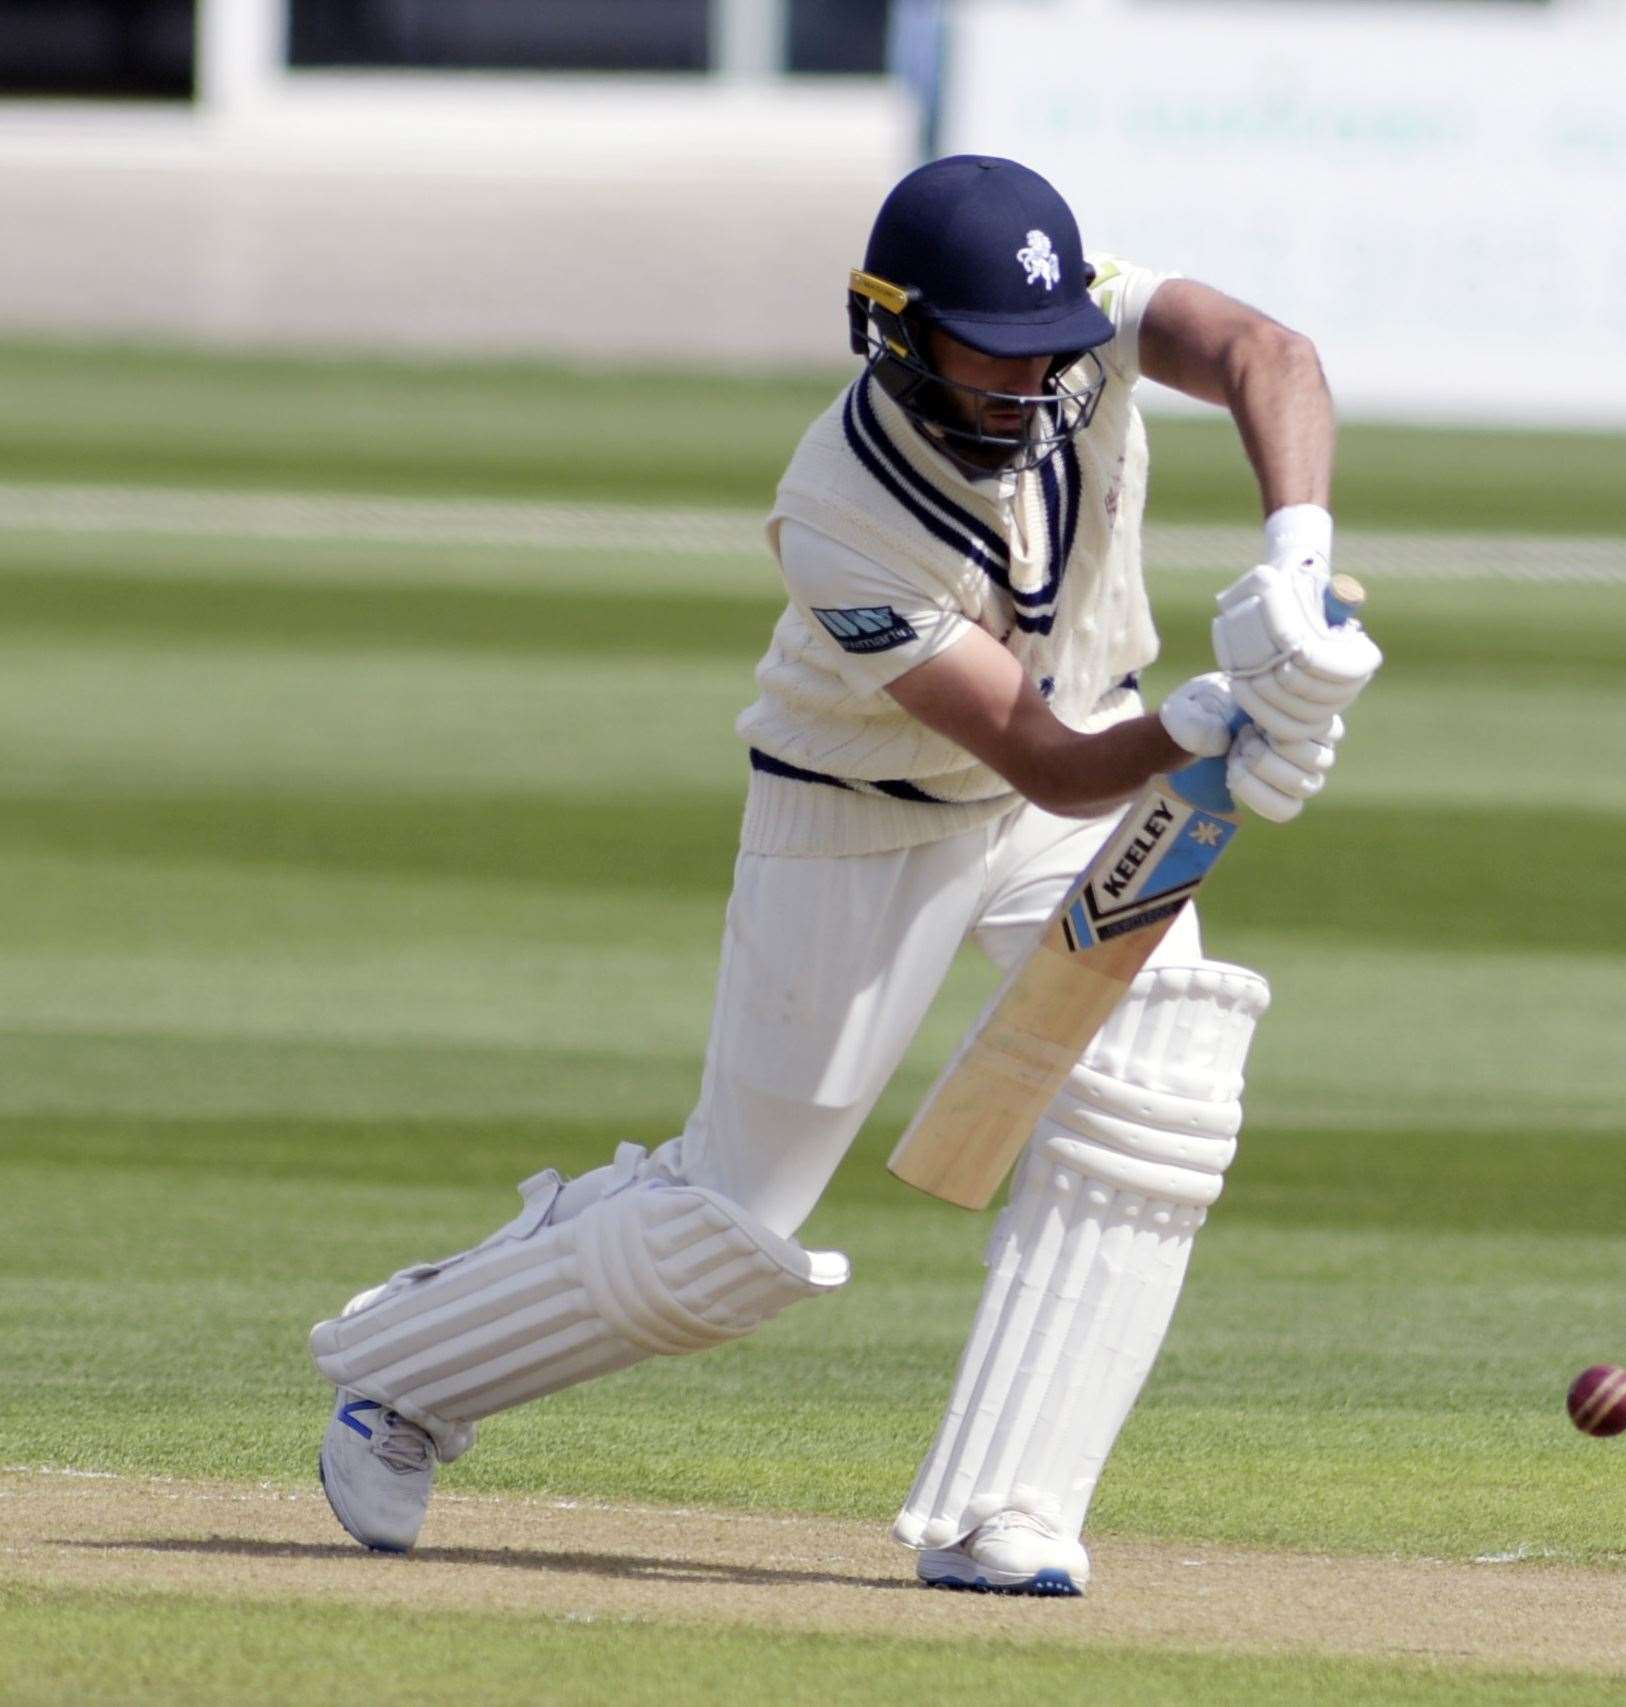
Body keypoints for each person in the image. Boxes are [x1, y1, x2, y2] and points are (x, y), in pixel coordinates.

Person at [308, 155, 1382, 1597]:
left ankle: (1010, 1510)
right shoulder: (837, 516)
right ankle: (405, 1376)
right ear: (894, 329)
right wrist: (1206, 725)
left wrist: (1295, 571)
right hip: (866, 816)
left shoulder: (1078, 324)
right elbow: (1050, 760)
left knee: (1161, 1088)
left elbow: (1273, 354)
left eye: (1047, 358)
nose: (1026, 388)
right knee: (727, 1234)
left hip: (1073, 784)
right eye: (987, 359)